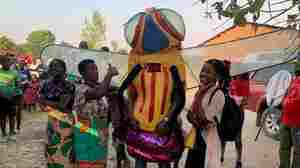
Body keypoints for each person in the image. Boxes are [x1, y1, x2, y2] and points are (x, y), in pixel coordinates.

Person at [72, 59, 118, 167]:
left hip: (100, 135)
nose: (96, 71)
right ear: (82, 73)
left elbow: (110, 90)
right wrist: (109, 75)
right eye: (92, 69)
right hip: (86, 134)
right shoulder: (81, 89)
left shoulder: (98, 88)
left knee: (99, 164)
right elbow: (99, 92)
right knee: (87, 163)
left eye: (96, 68)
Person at [185, 59, 226, 168]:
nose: (203, 73)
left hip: (208, 141)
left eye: (208, 72)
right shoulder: (200, 91)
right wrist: (192, 116)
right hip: (195, 140)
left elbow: (204, 120)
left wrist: (199, 97)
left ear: (217, 76)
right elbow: (189, 115)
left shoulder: (218, 94)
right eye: (202, 70)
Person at [39, 59, 75, 168]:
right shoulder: (45, 84)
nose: (55, 69)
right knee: (51, 152)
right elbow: (41, 104)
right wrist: (50, 104)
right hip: (52, 122)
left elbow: (62, 106)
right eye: (52, 66)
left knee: (66, 154)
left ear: (64, 70)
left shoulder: (69, 85)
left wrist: (46, 102)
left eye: (58, 66)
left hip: (66, 122)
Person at [279, 68, 300, 168]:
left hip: (291, 121)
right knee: (293, 149)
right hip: (290, 121)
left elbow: (285, 101)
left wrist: (284, 103)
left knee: (287, 148)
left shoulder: (292, 83)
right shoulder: (292, 82)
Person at [0, 55, 23, 141]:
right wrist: (1, 94)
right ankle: (3, 134)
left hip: (12, 98)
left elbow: (18, 85)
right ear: (1, 63)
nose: (7, 63)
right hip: (1, 98)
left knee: (12, 116)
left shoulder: (14, 73)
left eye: (9, 61)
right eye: (5, 61)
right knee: (2, 116)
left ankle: (12, 133)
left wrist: (13, 93)